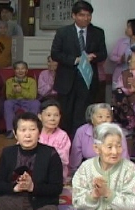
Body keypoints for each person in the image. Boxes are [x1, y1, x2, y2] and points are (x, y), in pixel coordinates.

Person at [52, 123, 135, 210]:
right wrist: (93, 196)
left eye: (118, 146)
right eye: (109, 147)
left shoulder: (129, 168)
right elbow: (78, 203)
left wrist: (108, 194)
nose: (115, 152)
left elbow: (133, 204)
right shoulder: (85, 168)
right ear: (96, 148)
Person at [0, 112, 63, 210]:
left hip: (37, 203)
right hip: (12, 199)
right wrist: (14, 188)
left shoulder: (50, 154)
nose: (27, 134)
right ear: (15, 134)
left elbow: (57, 188)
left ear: (39, 132)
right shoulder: (8, 152)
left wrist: (32, 187)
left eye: (32, 129)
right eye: (23, 130)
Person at [50, 0, 107, 136]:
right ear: (74, 16)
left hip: (87, 80)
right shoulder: (63, 32)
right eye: (82, 15)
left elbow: (103, 54)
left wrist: (94, 56)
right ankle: (64, 144)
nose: (86, 18)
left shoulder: (98, 32)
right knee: (65, 114)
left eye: (89, 15)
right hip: (67, 80)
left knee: (83, 116)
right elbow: (55, 53)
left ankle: (80, 146)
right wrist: (75, 60)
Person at [69, 103, 129, 175]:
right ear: (91, 118)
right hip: (88, 170)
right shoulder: (81, 131)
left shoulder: (118, 132)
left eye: (108, 116)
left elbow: (124, 156)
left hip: (114, 169)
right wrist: (73, 172)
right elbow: (75, 156)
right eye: (100, 117)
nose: (104, 120)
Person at [4, 61, 40, 138]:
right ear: (14, 71)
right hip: (15, 101)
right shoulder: (9, 81)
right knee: (7, 103)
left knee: (36, 103)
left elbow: (33, 96)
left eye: (23, 69)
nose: (20, 71)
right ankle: (10, 130)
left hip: (28, 101)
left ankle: (32, 128)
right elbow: (8, 96)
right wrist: (14, 91)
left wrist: (21, 91)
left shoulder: (31, 81)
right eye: (18, 69)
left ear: (26, 70)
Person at [37, 99, 71, 183]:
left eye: (56, 115)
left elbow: (64, 159)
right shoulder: (33, 132)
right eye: (48, 115)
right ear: (40, 116)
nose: (52, 119)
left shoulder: (63, 135)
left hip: (56, 173)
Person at [110, 18, 135, 89]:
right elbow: (112, 56)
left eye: (128, 27)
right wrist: (119, 59)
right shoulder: (121, 41)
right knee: (117, 97)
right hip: (118, 76)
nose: (126, 29)